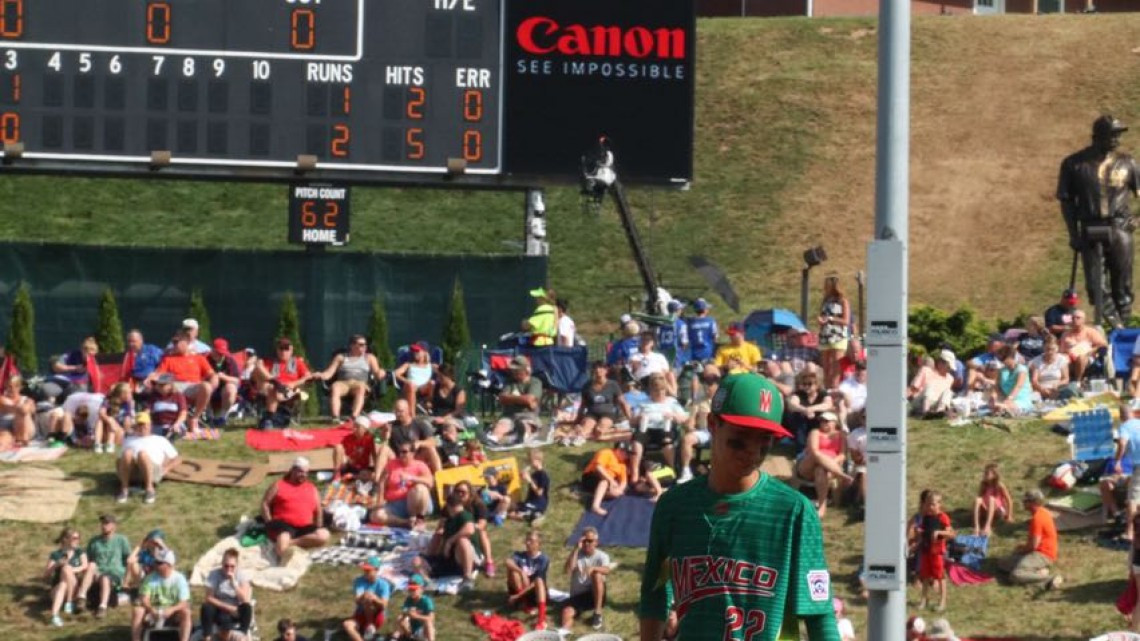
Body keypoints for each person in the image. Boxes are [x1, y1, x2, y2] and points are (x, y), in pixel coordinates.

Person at [639, 373, 839, 641]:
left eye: (765, 438)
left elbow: (819, 613)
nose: (753, 450)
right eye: (742, 436)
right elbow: (654, 594)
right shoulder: (674, 506)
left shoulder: (794, 511)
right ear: (712, 423)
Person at [1057, 115, 1140, 328]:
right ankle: (1116, 325)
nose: (1115, 140)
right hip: (1090, 226)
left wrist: (1136, 218)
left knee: (1123, 284)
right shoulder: (1074, 164)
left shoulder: (1128, 162)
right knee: (1095, 287)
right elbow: (1066, 202)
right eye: (1111, 135)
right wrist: (1073, 234)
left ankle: (1123, 330)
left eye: (1118, 135)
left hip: (1119, 226)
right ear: (1097, 136)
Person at [147, 331, 217, 435]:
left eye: (176, 342)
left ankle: (194, 419)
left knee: (206, 386)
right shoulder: (168, 359)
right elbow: (158, 374)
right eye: (173, 342)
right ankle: (182, 421)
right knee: (166, 385)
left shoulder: (198, 358)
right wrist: (150, 377)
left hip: (193, 387)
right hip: (175, 387)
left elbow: (213, 375)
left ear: (186, 342)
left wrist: (211, 387)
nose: (173, 345)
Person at [261, 456, 331, 562]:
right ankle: (288, 545)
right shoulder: (278, 485)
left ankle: (292, 543)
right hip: (284, 526)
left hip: (305, 527)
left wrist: (318, 527)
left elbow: (318, 510)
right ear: (293, 470)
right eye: (301, 472)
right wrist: (269, 523)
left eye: (306, 473)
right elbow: (265, 503)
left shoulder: (311, 487)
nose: (304, 475)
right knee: (281, 550)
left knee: (323, 536)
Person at [629, 373, 687, 495]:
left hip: (664, 429)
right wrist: (638, 418)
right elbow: (632, 421)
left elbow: (684, 417)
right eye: (656, 391)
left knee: (667, 442)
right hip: (646, 429)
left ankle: (672, 469)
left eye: (662, 390)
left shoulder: (672, 402)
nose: (660, 394)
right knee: (636, 442)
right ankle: (634, 473)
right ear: (651, 390)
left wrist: (674, 416)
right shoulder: (644, 402)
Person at [795, 411, 853, 518]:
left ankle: (822, 506)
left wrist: (830, 464)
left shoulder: (841, 435)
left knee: (821, 470)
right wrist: (827, 463)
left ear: (834, 422)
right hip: (809, 465)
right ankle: (841, 475)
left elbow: (842, 455)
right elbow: (813, 451)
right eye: (821, 421)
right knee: (816, 454)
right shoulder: (815, 432)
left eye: (826, 421)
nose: (823, 423)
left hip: (829, 467)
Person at [998, 489, 1061, 587]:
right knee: (1003, 563)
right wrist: (1022, 548)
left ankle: (1049, 579)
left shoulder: (1037, 519)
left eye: (1025, 501)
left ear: (1032, 502)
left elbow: (1033, 546)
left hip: (1043, 554)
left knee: (1015, 575)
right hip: (1037, 551)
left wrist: (1021, 550)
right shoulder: (1042, 512)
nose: (1023, 503)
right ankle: (1037, 571)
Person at [317, 334, 387, 421]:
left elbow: (377, 371)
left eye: (365, 345)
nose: (364, 347)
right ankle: (335, 417)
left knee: (361, 388)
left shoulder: (369, 357)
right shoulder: (341, 357)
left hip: (359, 383)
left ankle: (353, 417)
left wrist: (380, 372)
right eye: (361, 345)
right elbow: (329, 373)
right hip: (343, 383)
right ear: (352, 345)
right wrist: (321, 375)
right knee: (335, 387)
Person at [117, 411, 181, 504]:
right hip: (132, 472)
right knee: (128, 452)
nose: (142, 427)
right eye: (139, 424)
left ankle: (149, 489)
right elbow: (120, 460)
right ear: (135, 426)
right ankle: (124, 489)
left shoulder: (160, 439)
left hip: (153, 470)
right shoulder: (128, 439)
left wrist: (166, 469)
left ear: (150, 425)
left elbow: (178, 458)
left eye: (144, 424)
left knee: (142, 454)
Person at [557, 527, 612, 635]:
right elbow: (568, 570)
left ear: (596, 542)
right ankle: (564, 632)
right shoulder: (577, 555)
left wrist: (593, 568)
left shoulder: (602, 556)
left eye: (590, 541)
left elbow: (607, 570)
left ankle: (597, 613)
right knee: (567, 612)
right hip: (579, 596)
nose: (587, 543)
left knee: (597, 575)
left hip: (595, 594)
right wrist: (576, 549)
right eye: (584, 540)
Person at [562, 360, 629, 444]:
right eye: (595, 368)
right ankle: (577, 435)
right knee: (586, 426)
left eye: (601, 368)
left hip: (608, 413)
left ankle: (581, 434)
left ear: (606, 370)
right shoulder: (587, 386)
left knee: (599, 429)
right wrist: (577, 420)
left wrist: (630, 418)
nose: (598, 370)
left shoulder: (613, 385)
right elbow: (582, 405)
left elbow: (623, 403)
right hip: (592, 413)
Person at [131, 548, 192, 641]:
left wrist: (172, 609)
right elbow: (144, 598)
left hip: (173, 611)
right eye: (156, 562)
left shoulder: (179, 579)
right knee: (137, 610)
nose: (155, 565)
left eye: (159, 563)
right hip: (154, 610)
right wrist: (151, 609)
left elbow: (184, 602)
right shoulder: (150, 578)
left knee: (186, 612)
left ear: (169, 565)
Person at [78, 513, 131, 619]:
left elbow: (128, 559)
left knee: (105, 578)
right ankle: (81, 597)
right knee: (92, 565)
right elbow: (88, 559)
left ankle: (102, 607)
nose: (104, 526)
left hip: (114, 573)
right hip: (98, 571)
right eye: (102, 523)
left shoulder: (121, 540)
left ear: (114, 526)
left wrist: (126, 578)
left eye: (107, 523)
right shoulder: (94, 541)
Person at [421, 494, 479, 591]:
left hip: (465, 557)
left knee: (462, 541)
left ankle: (467, 577)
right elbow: (441, 544)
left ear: (448, 506)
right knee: (417, 561)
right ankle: (428, 582)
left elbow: (469, 530)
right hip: (450, 559)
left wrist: (450, 541)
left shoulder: (464, 515)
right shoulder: (449, 522)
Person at [371, 442, 434, 529]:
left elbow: (430, 482)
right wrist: (380, 501)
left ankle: (418, 519)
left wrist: (412, 478)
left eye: (404, 452)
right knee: (376, 516)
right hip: (395, 504)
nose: (401, 454)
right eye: (399, 452)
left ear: (413, 453)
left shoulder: (420, 465)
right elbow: (382, 483)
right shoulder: (391, 464)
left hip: (416, 502)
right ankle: (406, 523)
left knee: (420, 488)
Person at [254, 338, 313, 426]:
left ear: (291, 350)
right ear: (277, 350)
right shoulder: (271, 362)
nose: (283, 352)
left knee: (273, 388)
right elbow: (258, 373)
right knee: (259, 366)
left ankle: (269, 419)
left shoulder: (297, 362)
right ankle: (275, 382)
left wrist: (294, 384)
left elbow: (308, 376)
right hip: (272, 388)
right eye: (281, 349)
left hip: (290, 391)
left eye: (286, 349)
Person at [201, 547, 253, 641]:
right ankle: (207, 636)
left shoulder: (241, 575)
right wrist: (228, 608)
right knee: (206, 607)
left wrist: (235, 585)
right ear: (222, 564)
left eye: (232, 566)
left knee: (247, 607)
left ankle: (242, 634)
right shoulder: (214, 574)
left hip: (236, 610)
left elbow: (245, 600)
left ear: (236, 566)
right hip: (219, 608)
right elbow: (209, 597)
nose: (228, 569)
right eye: (226, 566)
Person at [489, 355, 543, 444]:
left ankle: (518, 438)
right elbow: (502, 398)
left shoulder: (535, 382)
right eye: (513, 370)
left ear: (526, 370)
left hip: (527, 415)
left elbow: (529, 399)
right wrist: (522, 400)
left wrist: (510, 399)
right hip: (510, 415)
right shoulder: (510, 382)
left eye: (517, 370)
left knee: (525, 426)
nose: (514, 372)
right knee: (501, 426)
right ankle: (494, 439)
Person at [450, 480, 498, 578]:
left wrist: (469, 526)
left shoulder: (478, 505)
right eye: (457, 491)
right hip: (457, 532)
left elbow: (482, 524)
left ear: (470, 493)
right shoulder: (451, 504)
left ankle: (489, 561)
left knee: (482, 532)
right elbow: (443, 522)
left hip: (473, 532)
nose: (460, 494)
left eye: (463, 492)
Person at [916, 491, 954, 612]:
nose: (930, 507)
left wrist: (940, 532)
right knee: (925, 576)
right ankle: (924, 599)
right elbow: (923, 529)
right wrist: (919, 531)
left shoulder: (942, 517)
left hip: (937, 551)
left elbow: (951, 533)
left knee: (940, 576)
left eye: (933, 504)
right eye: (928, 504)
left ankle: (942, 601)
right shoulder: (926, 517)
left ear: (939, 505)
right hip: (926, 549)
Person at [44, 526, 88, 627]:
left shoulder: (79, 551)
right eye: (74, 538)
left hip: (75, 586)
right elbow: (46, 575)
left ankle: (69, 601)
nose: (77, 541)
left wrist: (71, 570)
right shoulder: (56, 554)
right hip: (58, 589)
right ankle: (55, 615)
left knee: (66, 568)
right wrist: (56, 565)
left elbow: (85, 566)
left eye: (78, 538)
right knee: (63, 584)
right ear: (65, 539)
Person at [505, 530, 549, 629]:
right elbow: (508, 562)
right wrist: (521, 572)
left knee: (539, 581)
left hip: (534, 592)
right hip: (521, 588)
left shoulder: (543, 559)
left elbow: (537, 581)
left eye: (531, 541)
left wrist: (517, 596)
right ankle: (525, 604)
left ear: (538, 544)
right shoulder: (519, 555)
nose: (528, 543)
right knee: (514, 572)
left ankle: (541, 620)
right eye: (527, 540)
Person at [1108, 404, 1140, 541]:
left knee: (1132, 499)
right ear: (1133, 413)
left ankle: (1130, 532)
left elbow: (1122, 443)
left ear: (1121, 417)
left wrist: (1118, 461)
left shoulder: (1125, 427)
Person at [343, 555, 391, 641]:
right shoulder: (359, 581)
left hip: (377, 614)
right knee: (347, 625)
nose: (365, 572)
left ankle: (370, 625)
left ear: (376, 570)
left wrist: (375, 598)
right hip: (361, 613)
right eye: (364, 570)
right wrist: (364, 595)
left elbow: (384, 605)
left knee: (369, 598)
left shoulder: (384, 584)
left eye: (368, 570)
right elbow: (357, 600)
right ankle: (367, 629)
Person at [785, 369, 835, 452]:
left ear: (816, 385)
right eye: (804, 384)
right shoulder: (799, 394)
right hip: (802, 421)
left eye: (810, 384)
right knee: (798, 417)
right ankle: (801, 449)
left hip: (816, 421)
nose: (806, 386)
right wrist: (804, 410)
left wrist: (812, 408)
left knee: (824, 417)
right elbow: (792, 405)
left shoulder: (822, 393)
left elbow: (828, 404)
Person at [389, 399, 441, 472]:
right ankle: (377, 479)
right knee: (383, 449)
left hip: (416, 457)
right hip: (400, 458)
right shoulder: (391, 426)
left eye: (401, 411)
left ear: (408, 410)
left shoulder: (419, 424)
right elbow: (383, 443)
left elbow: (433, 442)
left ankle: (440, 477)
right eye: (396, 411)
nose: (398, 414)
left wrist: (420, 443)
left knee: (430, 448)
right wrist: (385, 435)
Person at [818, 275, 851, 389]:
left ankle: (835, 390)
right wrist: (821, 320)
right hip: (825, 336)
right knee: (826, 369)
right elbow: (822, 316)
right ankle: (827, 392)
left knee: (836, 369)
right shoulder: (825, 301)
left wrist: (831, 319)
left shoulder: (843, 301)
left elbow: (846, 321)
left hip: (838, 336)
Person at [581, 442, 630, 516]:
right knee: (604, 482)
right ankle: (595, 506)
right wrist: (611, 481)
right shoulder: (606, 453)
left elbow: (624, 481)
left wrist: (619, 489)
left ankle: (596, 494)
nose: (627, 456)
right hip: (591, 476)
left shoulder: (622, 464)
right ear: (619, 450)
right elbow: (598, 468)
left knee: (615, 493)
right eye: (626, 453)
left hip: (607, 482)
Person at [1060, 309, 1108, 382]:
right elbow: (1061, 351)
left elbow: (1103, 344)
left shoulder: (1091, 331)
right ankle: (1063, 381)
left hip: (1086, 356)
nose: (1075, 320)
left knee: (1081, 357)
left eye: (1078, 318)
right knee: (1061, 358)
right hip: (1070, 357)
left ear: (1083, 320)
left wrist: (1091, 350)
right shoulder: (1066, 334)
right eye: (1073, 318)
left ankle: (1077, 381)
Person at [907, 350, 956, 418]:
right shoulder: (926, 370)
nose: (949, 369)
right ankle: (925, 412)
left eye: (950, 368)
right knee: (930, 385)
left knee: (948, 391)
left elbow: (946, 396)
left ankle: (940, 411)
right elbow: (913, 388)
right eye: (948, 367)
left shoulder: (950, 378)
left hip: (935, 403)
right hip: (920, 401)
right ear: (940, 363)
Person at [333, 415, 382, 484]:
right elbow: (341, 453)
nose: (354, 429)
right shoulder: (348, 438)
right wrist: (346, 459)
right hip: (348, 465)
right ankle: (337, 474)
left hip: (361, 469)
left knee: (371, 475)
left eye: (358, 427)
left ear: (365, 429)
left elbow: (374, 456)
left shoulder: (369, 439)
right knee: (338, 447)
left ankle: (352, 476)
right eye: (354, 426)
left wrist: (377, 471)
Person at [207, 338, 242, 427]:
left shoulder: (229, 360)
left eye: (222, 352)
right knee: (204, 387)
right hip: (210, 388)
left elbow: (237, 380)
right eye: (218, 352)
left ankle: (222, 417)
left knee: (231, 388)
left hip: (224, 388)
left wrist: (223, 377)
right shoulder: (205, 359)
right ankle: (209, 416)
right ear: (212, 350)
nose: (220, 355)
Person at [509, 448, 550, 523]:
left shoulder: (543, 475)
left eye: (531, 460)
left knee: (515, 513)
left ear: (538, 461)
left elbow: (539, 493)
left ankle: (535, 515)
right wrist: (520, 476)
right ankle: (531, 515)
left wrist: (530, 480)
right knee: (512, 507)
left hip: (538, 503)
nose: (529, 463)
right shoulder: (534, 474)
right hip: (529, 502)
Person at [991, 345, 1033, 416]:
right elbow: (997, 386)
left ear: (1011, 357)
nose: (1002, 361)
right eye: (1000, 359)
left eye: (1003, 358)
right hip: (1005, 399)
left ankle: (1004, 408)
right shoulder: (1002, 371)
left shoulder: (1022, 369)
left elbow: (1018, 386)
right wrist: (993, 397)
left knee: (1004, 407)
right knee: (997, 406)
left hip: (1021, 400)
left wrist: (1009, 399)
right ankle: (1002, 408)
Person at [1030, 335, 1075, 401]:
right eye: (1047, 349)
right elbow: (1034, 381)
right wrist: (1042, 390)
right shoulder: (1037, 361)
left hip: (1057, 387)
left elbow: (1066, 379)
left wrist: (1057, 385)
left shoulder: (1062, 359)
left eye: (1052, 349)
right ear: (1043, 348)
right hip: (1041, 388)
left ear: (1057, 348)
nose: (1050, 352)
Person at [394, 343, 436, 413]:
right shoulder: (409, 364)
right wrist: (407, 381)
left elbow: (442, 373)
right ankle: (412, 415)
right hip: (409, 387)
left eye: (417, 351)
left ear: (424, 353)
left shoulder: (430, 366)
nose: (415, 353)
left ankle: (427, 403)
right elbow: (396, 373)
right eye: (414, 351)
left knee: (432, 383)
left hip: (423, 388)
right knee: (411, 386)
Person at [973, 463, 1013, 536]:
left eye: (987, 474)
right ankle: (977, 527)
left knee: (991, 499)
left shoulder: (999, 485)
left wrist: (1009, 515)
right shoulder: (983, 485)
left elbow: (1009, 500)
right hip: (987, 510)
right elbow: (979, 498)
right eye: (984, 473)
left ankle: (987, 527)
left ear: (994, 475)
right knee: (977, 499)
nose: (984, 475)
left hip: (998, 510)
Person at [392, 573, 435, 641]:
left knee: (428, 622)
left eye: (414, 590)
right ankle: (409, 637)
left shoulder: (426, 601)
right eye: (410, 590)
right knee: (400, 618)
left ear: (421, 589)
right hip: (412, 629)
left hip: (423, 631)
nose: (412, 592)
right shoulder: (408, 600)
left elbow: (431, 618)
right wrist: (408, 612)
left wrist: (416, 616)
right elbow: (403, 612)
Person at [147, 374, 188, 438]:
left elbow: (183, 413)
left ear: (170, 386)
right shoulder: (153, 396)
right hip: (158, 425)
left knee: (175, 431)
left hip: (175, 424)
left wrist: (177, 424)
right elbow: (147, 411)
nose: (159, 387)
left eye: (162, 385)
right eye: (158, 384)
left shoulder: (178, 396)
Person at [429, 363, 469, 429]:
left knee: (449, 427)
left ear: (448, 376)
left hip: (452, 419)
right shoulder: (435, 387)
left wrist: (444, 419)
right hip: (435, 417)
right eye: (438, 376)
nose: (438, 379)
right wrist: (428, 405)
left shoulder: (459, 391)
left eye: (441, 377)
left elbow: (458, 411)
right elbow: (430, 401)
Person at [0, 373, 35, 447]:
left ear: (19, 387)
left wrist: (26, 407)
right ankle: (18, 440)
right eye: (8, 386)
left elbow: (29, 410)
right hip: (6, 429)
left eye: (13, 386)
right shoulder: (2, 399)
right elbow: (9, 408)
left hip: (24, 429)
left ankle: (22, 438)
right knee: (4, 439)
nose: (10, 389)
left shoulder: (27, 399)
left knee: (23, 412)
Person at [96, 382, 132, 454]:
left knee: (111, 420)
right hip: (109, 430)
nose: (130, 395)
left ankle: (110, 445)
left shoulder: (127, 404)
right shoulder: (108, 401)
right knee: (101, 420)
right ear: (122, 394)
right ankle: (97, 445)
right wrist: (109, 420)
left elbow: (127, 424)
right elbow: (101, 412)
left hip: (119, 432)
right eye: (129, 393)